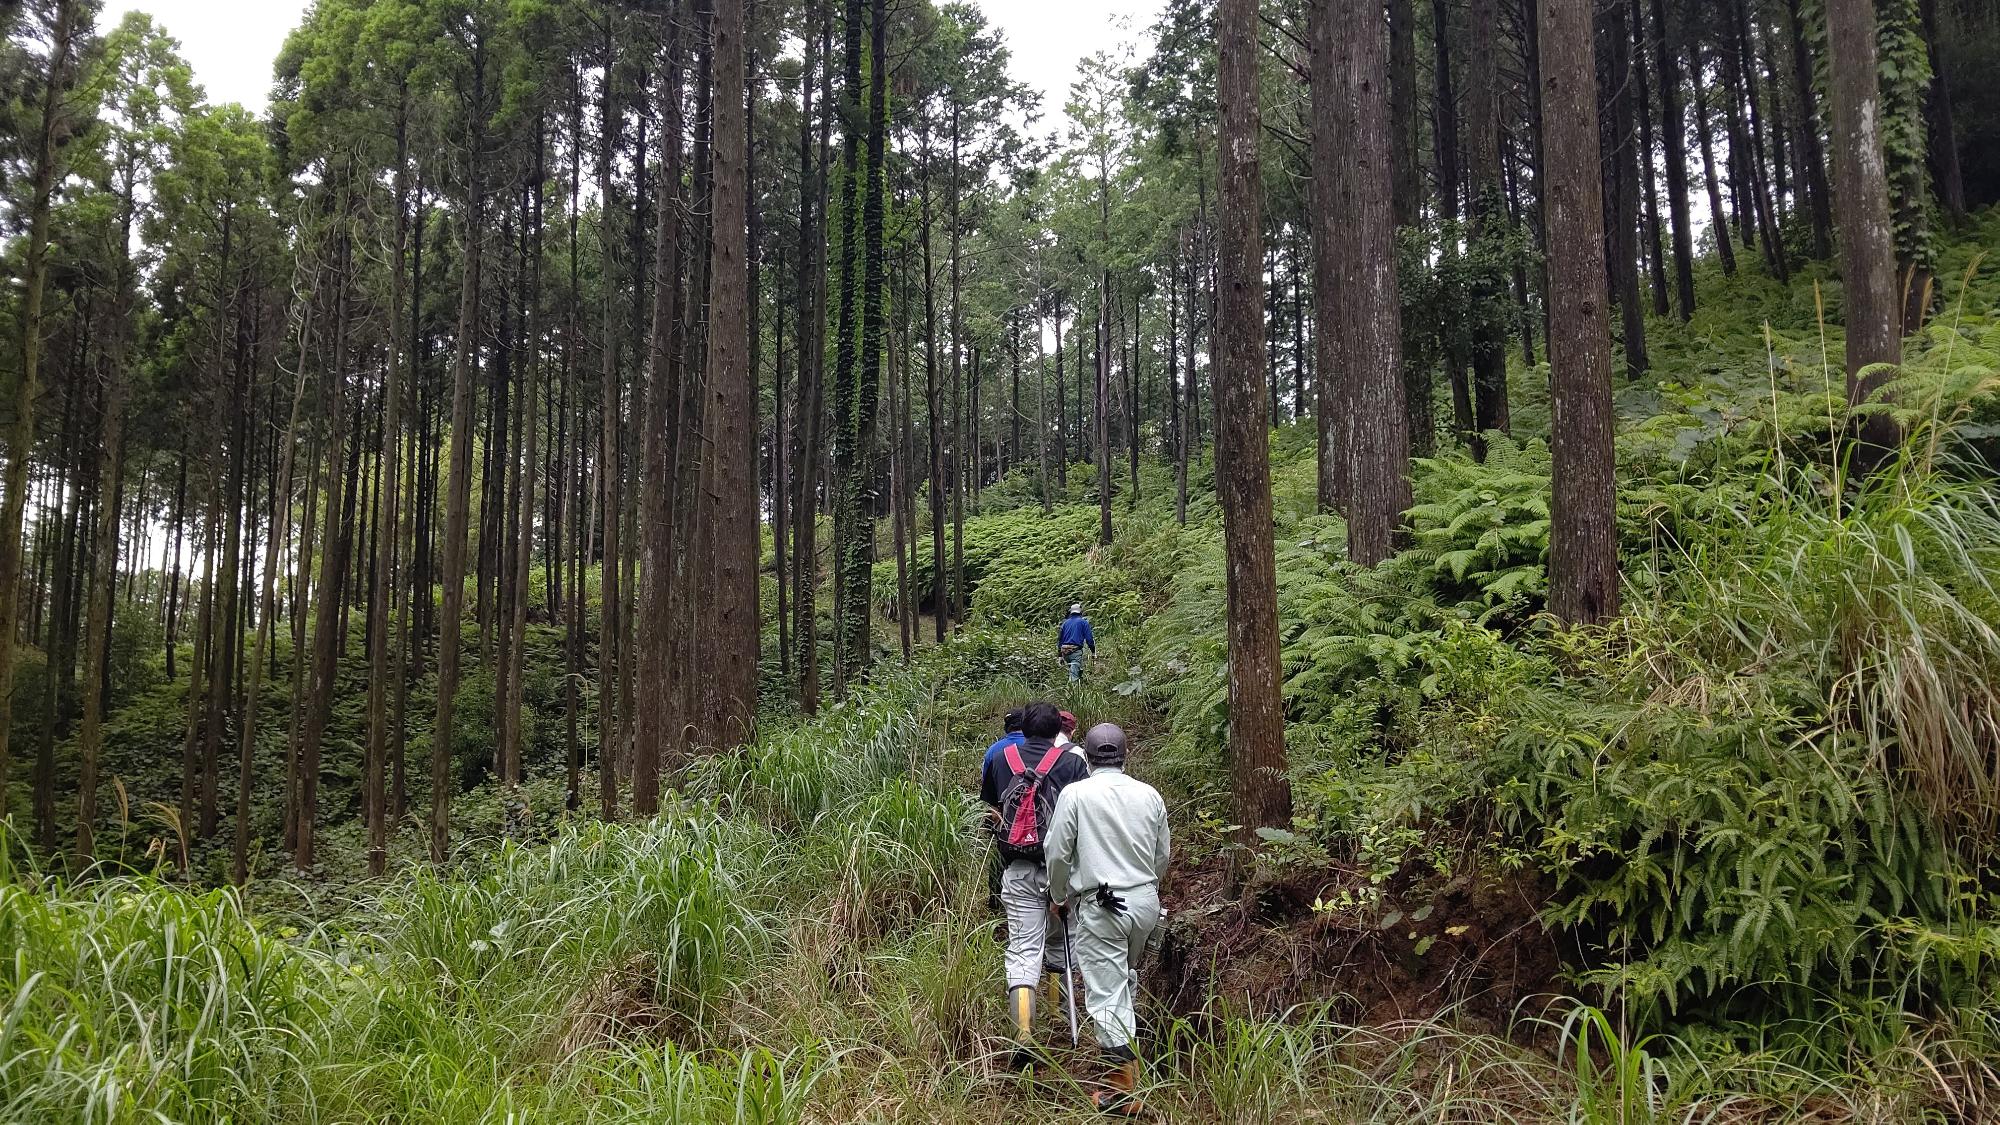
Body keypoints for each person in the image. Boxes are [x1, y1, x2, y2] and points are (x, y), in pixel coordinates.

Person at [1044, 723, 1171, 1115]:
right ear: (1124, 753)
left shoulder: (1076, 794)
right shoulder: (1149, 795)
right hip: (1145, 903)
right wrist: (1146, 887)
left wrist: (1058, 894)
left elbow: (1057, 851)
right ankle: (1132, 1066)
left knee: (1105, 993)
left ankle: (1123, 1091)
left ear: (1089, 756)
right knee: (1125, 978)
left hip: (1102, 906)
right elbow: (1162, 854)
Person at [979, 701, 1089, 1068]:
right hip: (1065, 871)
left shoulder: (1000, 757)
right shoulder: (1074, 759)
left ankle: (1024, 1033)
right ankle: (1060, 1016)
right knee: (1061, 942)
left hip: (1019, 867)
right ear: (1059, 726)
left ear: (1023, 729)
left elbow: (992, 807)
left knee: (1024, 950)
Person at [981, 709, 1027, 911]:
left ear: (1006, 728)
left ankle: (995, 901)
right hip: (1032, 812)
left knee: (1000, 855)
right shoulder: (1033, 746)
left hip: (1001, 811)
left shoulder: (994, 751)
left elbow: (986, 783)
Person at [1058, 603, 1096, 681]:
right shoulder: (1083, 622)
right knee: (1074, 676)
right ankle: (1072, 691)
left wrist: (1060, 655)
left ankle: (1080, 685)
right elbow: (1089, 639)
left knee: (1077, 670)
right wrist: (1093, 651)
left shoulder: (1065, 623)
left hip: (1064, 651)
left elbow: (1060, 639)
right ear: (1080, 612)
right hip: (1075, 651)